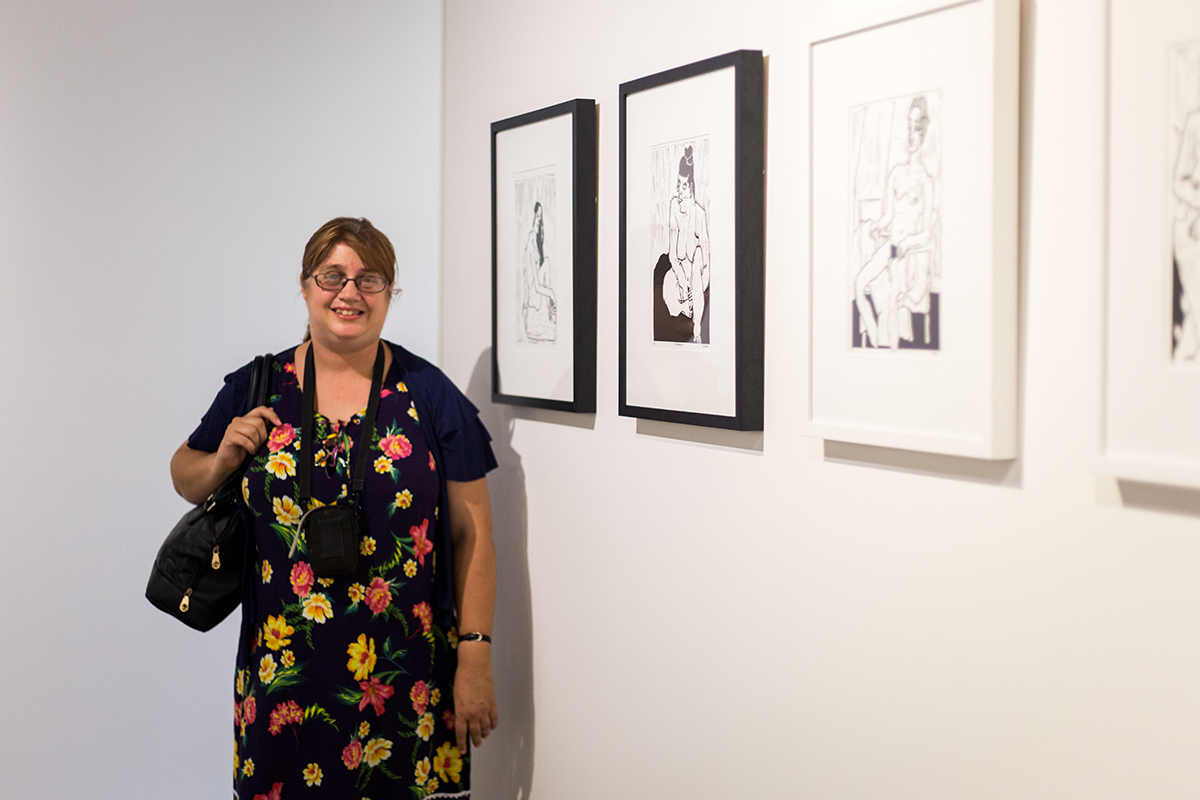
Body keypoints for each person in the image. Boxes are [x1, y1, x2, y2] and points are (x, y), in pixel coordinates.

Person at [170, 217, 499, 798]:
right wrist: (222, 460)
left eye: (370, 279)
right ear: (305, 286)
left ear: (389, 294)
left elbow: (473, 535)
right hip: (282, 683)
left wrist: (476, 658)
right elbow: (184, 475)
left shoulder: (430, 395)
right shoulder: (259, 385)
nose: (350, 292)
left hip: (407, 682)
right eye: (332, 276)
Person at [854, 95, 937, 349]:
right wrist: (875, 226)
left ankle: (886, 347)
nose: (911, 134)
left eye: (916, 127)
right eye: (909, 126)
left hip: (906, 254)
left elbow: (927, 234)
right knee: (859, 284)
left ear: (923, 132)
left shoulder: (926, 182)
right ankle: (877, 339)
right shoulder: (896, 174)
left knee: (891, 298)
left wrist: (907, 243)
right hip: (890, 247)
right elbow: (888, 217)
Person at [653, 144, 711, 344]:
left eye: (684, 185)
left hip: (697, 276)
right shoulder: (674, 208)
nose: (679, 189)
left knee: (698, 256)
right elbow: (672, 252)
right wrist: (680, 277)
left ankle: (697, 328)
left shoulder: (699, 214)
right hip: (678, 273)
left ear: (692, 187)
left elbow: (705, 258)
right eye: (678, 184)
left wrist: (696, 281)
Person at [521, 201, 557, 343]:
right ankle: (551, 311)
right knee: (546, 263)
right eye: (537, 217)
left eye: (540, 218)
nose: (539, 221)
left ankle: (550, 311)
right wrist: (551, 294)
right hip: (532, 295)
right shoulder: (530, 243)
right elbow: (536, 286)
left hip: (536, 294)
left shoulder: (536, 242)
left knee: (546, 262)